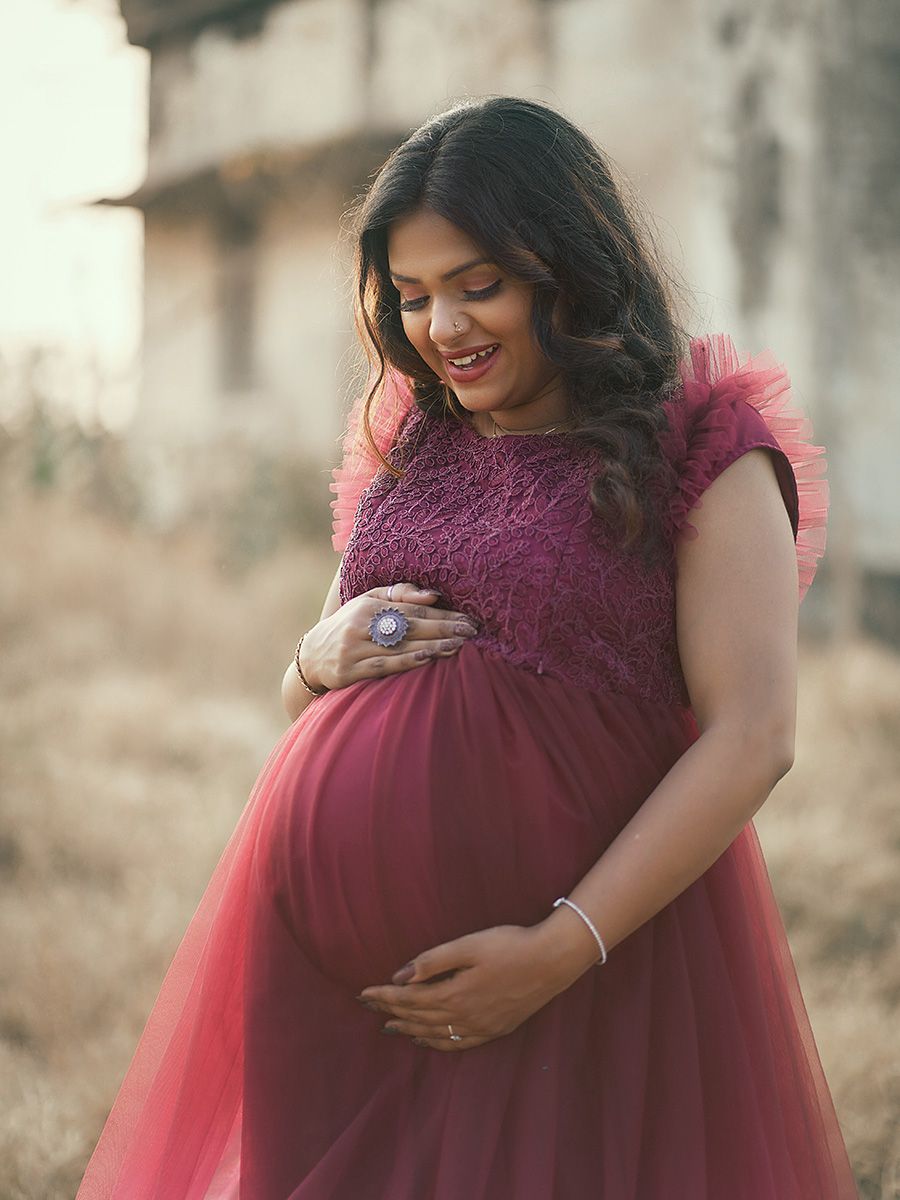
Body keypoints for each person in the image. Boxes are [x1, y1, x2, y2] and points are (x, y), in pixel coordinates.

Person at [75, 96, 858, 1199]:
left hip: (576, 975)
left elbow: (754, 737)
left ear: (571, 263)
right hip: (323, 983)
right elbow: (307, 695)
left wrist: (554, 952)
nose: (442, 327)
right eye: (412, 296)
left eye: (477, 284)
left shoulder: (700, 440)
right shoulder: (415, 430)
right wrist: (314, 657)